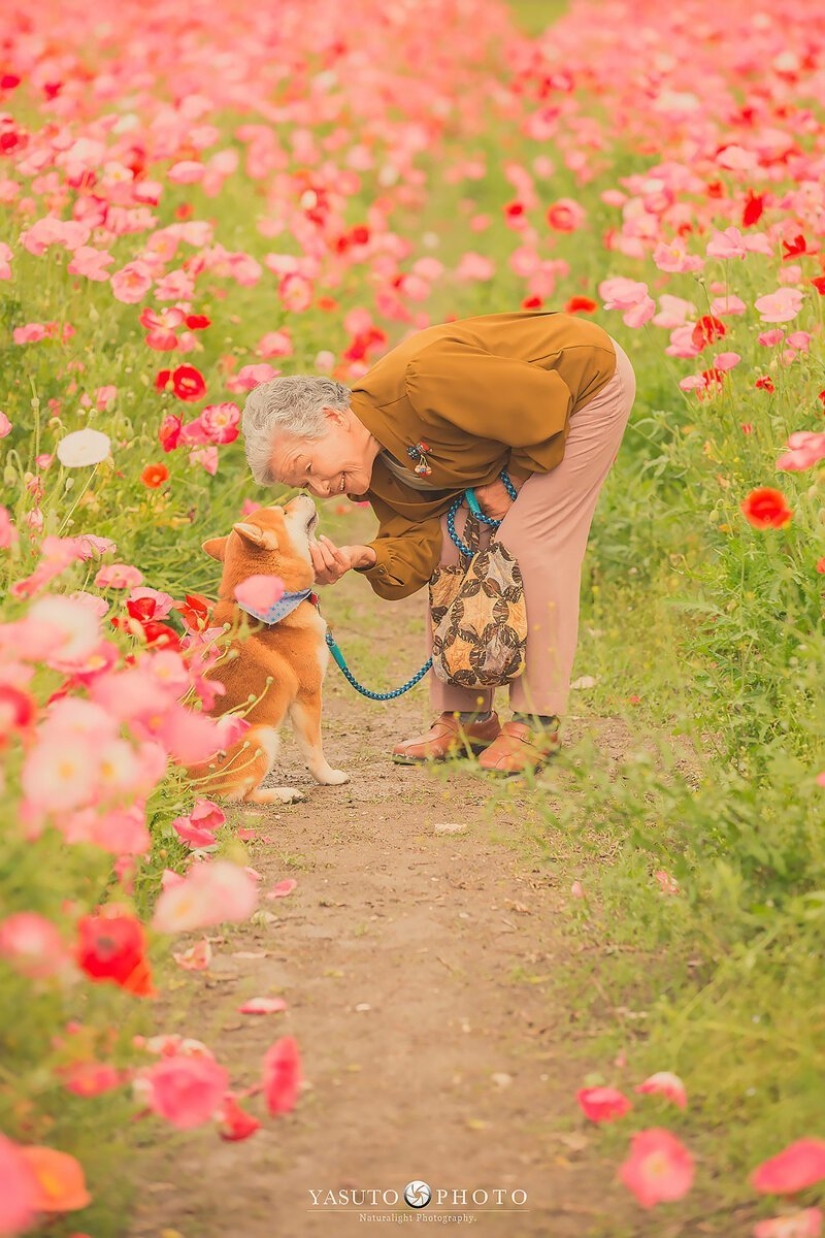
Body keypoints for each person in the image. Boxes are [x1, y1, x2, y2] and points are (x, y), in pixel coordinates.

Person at [242, 310, 635, 776]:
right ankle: (469, 719)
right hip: (524, 426)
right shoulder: (372, 469)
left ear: (332, 418)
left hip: (584, 389)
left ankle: (537, 723)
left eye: (309, 468)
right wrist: (363, 556)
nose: (322, 489)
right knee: (453, 547)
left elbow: (546, 401)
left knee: (528, 543)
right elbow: (422, 539)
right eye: (305, 485)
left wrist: (513, 478)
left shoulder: (421, 381)